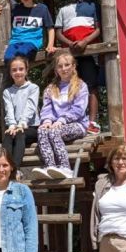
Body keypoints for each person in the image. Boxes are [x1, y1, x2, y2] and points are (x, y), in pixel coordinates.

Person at [55, 0, 102, 133]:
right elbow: (58, 32)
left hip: (88, 53)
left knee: (91, 85)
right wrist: (70, 43)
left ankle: (92, 122)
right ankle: (72, 120)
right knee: (70, 86)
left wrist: (85, 41)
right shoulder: (63, 9)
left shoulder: (93, 6)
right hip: (70, 55)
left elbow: (98, 29)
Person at [31, 50, 88, 180]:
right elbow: (47, 108)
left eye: (67, 65)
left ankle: (65, 167)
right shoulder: (51, 88)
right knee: (42, 130)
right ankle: (50, 166)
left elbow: (78, 109)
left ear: (73, 66)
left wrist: (62, 120)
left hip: (77, 124)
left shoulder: (81, 86)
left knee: (54, 132)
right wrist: (47, 120)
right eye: (60, 66)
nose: (64, 69)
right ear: (56, 70)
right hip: (55, 124)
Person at [3, 0, 55, 64]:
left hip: (32, 42)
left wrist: (50, 45)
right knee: (7, 58)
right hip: (15, 42)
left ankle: (23, 72)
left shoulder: (42, 8)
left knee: (21, 53)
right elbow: (3, 23)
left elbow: (50, 28)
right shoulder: (15, 9)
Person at [1, 55, 39, 170]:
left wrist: (22, 124)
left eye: (21, 69)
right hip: (16, 127)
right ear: (10, 73)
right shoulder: (7, 92)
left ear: (26, 70)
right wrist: (12, 125)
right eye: (14, 70)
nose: (18, 72)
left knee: (19, 134)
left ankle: (14, 170)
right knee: (8, 135)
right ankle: (5, 167)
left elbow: (30, 107)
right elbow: (9, 110)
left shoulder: (33, 88)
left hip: (31, 126)